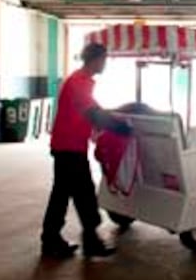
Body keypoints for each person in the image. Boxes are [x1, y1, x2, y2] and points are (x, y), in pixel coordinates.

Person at [41, 43, 131, 259]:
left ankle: (51, 240)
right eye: (104, 60)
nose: (105, 64)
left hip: (65, 146)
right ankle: (90, 242)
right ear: (95, 59)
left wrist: (110, 117)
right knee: (84, 194)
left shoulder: (80, 80)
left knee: (61, 195)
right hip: (70, 148)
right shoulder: (79, 82)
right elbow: (93, 113)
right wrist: (121, 128)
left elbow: (93, 108)